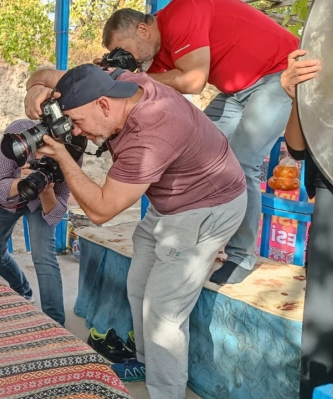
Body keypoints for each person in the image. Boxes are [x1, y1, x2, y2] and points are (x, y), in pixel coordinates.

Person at [24, 64, 247, 398]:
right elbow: (58, 77)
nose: (78, 133)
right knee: (138, 285)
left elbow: (101, 210)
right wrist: (36, 87)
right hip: (170, 199)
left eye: (79, 123)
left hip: (207, 205)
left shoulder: (151, 133)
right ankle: (145, 361)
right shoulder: (114, 80)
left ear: (102, 105)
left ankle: (165, 392)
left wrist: (62, 157)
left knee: (163, 313)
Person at [101, 0, 299, 284]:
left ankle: (241, 255)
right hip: (236, 90)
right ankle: (189, 234)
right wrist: (108, 80)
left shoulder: (182, 13)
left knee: (242, 164)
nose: (124, 57)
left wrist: (138, 77)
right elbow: (150, 95)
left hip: (278, 75)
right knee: (198, 151)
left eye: (124, 49)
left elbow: (193, 81)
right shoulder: (154, 55)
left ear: (143, 30)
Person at [0, 119, 83, 326]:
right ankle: (22, 290)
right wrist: (22, 182)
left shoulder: (73, 152)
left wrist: (46, 189)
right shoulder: (18, 136)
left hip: (43, 203)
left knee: (44, 258)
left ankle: (55, 326)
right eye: (41, 153)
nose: (44, 158)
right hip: (10, 196)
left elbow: (55, 214)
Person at [279, 48, 333, 399]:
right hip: (328, 196)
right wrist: (298, 94)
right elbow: (297, 147)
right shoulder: (322, 61)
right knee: (323, 335)